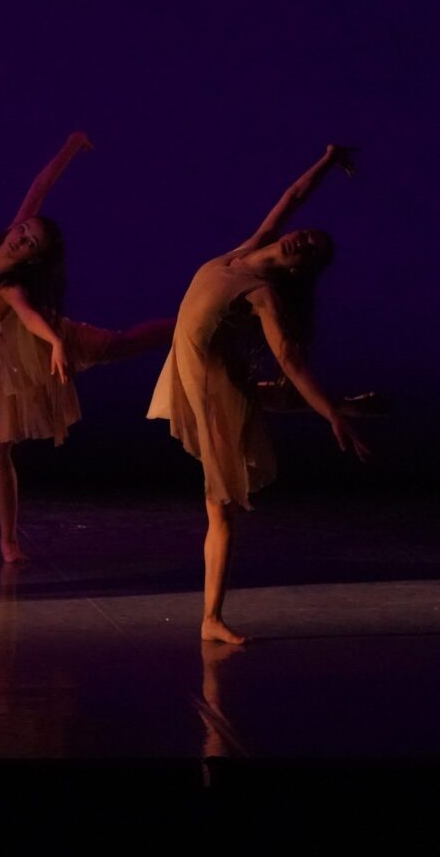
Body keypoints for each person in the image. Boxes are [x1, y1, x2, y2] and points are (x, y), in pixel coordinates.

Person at [147, 143, 371, 644]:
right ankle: (340, 405)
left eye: (309, 251)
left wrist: (332, 417)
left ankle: (211, 619)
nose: (301, 241)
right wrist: (328, 160)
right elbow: (292, 197)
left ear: (299, 270)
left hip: (212, 389)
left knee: (221, 507)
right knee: (251, 406)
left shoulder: (262, 292)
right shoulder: (249, 247)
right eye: (307, 235)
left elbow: (290, 358)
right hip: (198, 374)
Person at [0, 132, 174, 563]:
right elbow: (39, 187)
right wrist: (71, 147)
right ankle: (8, 541)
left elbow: (28, 315)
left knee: (123, 344)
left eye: (30, 243)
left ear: (32, 258)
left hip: (46, 350)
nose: (22, 237)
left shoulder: (9, 283)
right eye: (24, 230)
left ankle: (188, 322)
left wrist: (57, 342)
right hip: (23, 360)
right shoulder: (0, 244)